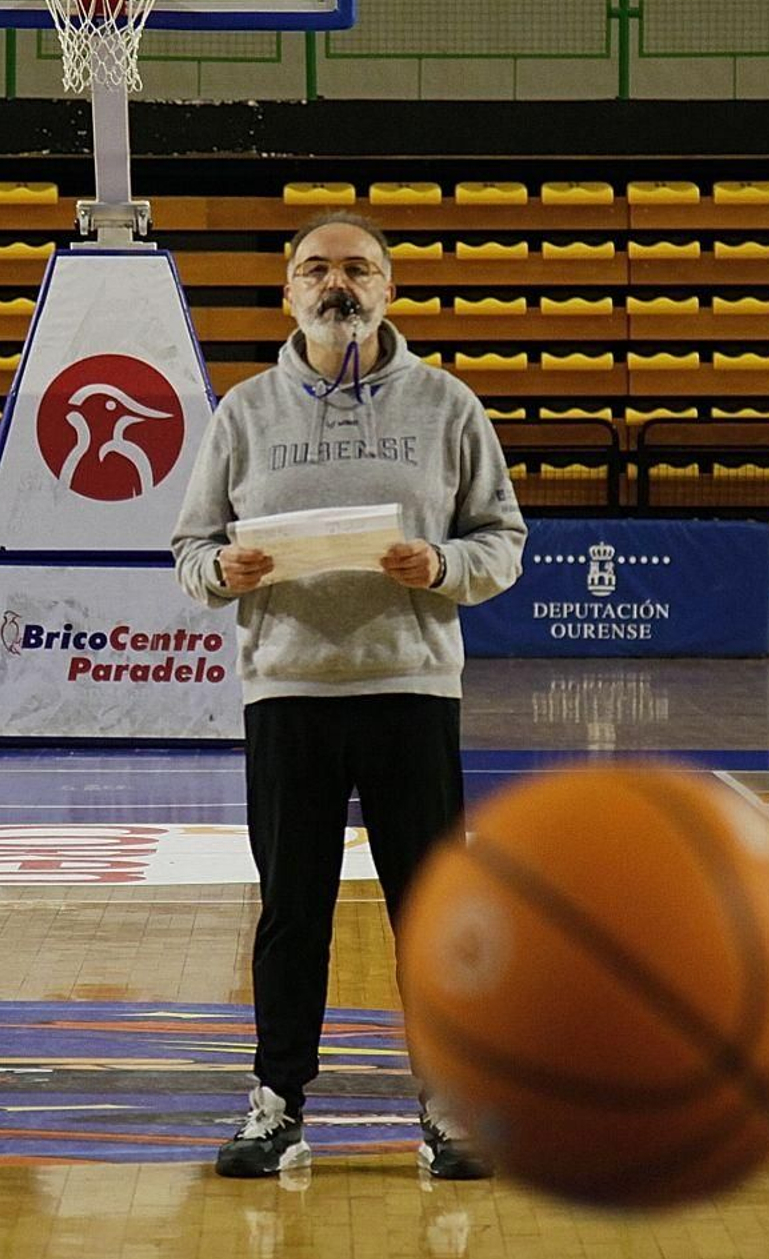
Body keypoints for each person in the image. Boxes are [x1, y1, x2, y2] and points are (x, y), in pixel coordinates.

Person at [171, 211, 526, 1180]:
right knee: (293, 908)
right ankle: (276, 1103)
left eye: (358, 267)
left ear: (388, 289)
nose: (339, 283)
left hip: (409, 686)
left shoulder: (448, 405)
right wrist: (225, 570)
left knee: (430, 907)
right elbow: (187, 549)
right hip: (286, 690)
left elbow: (502, 539)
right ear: (286, 291)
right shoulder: (242, 413)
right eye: (317, 268)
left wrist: (441, 562)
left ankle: (448, 1104)